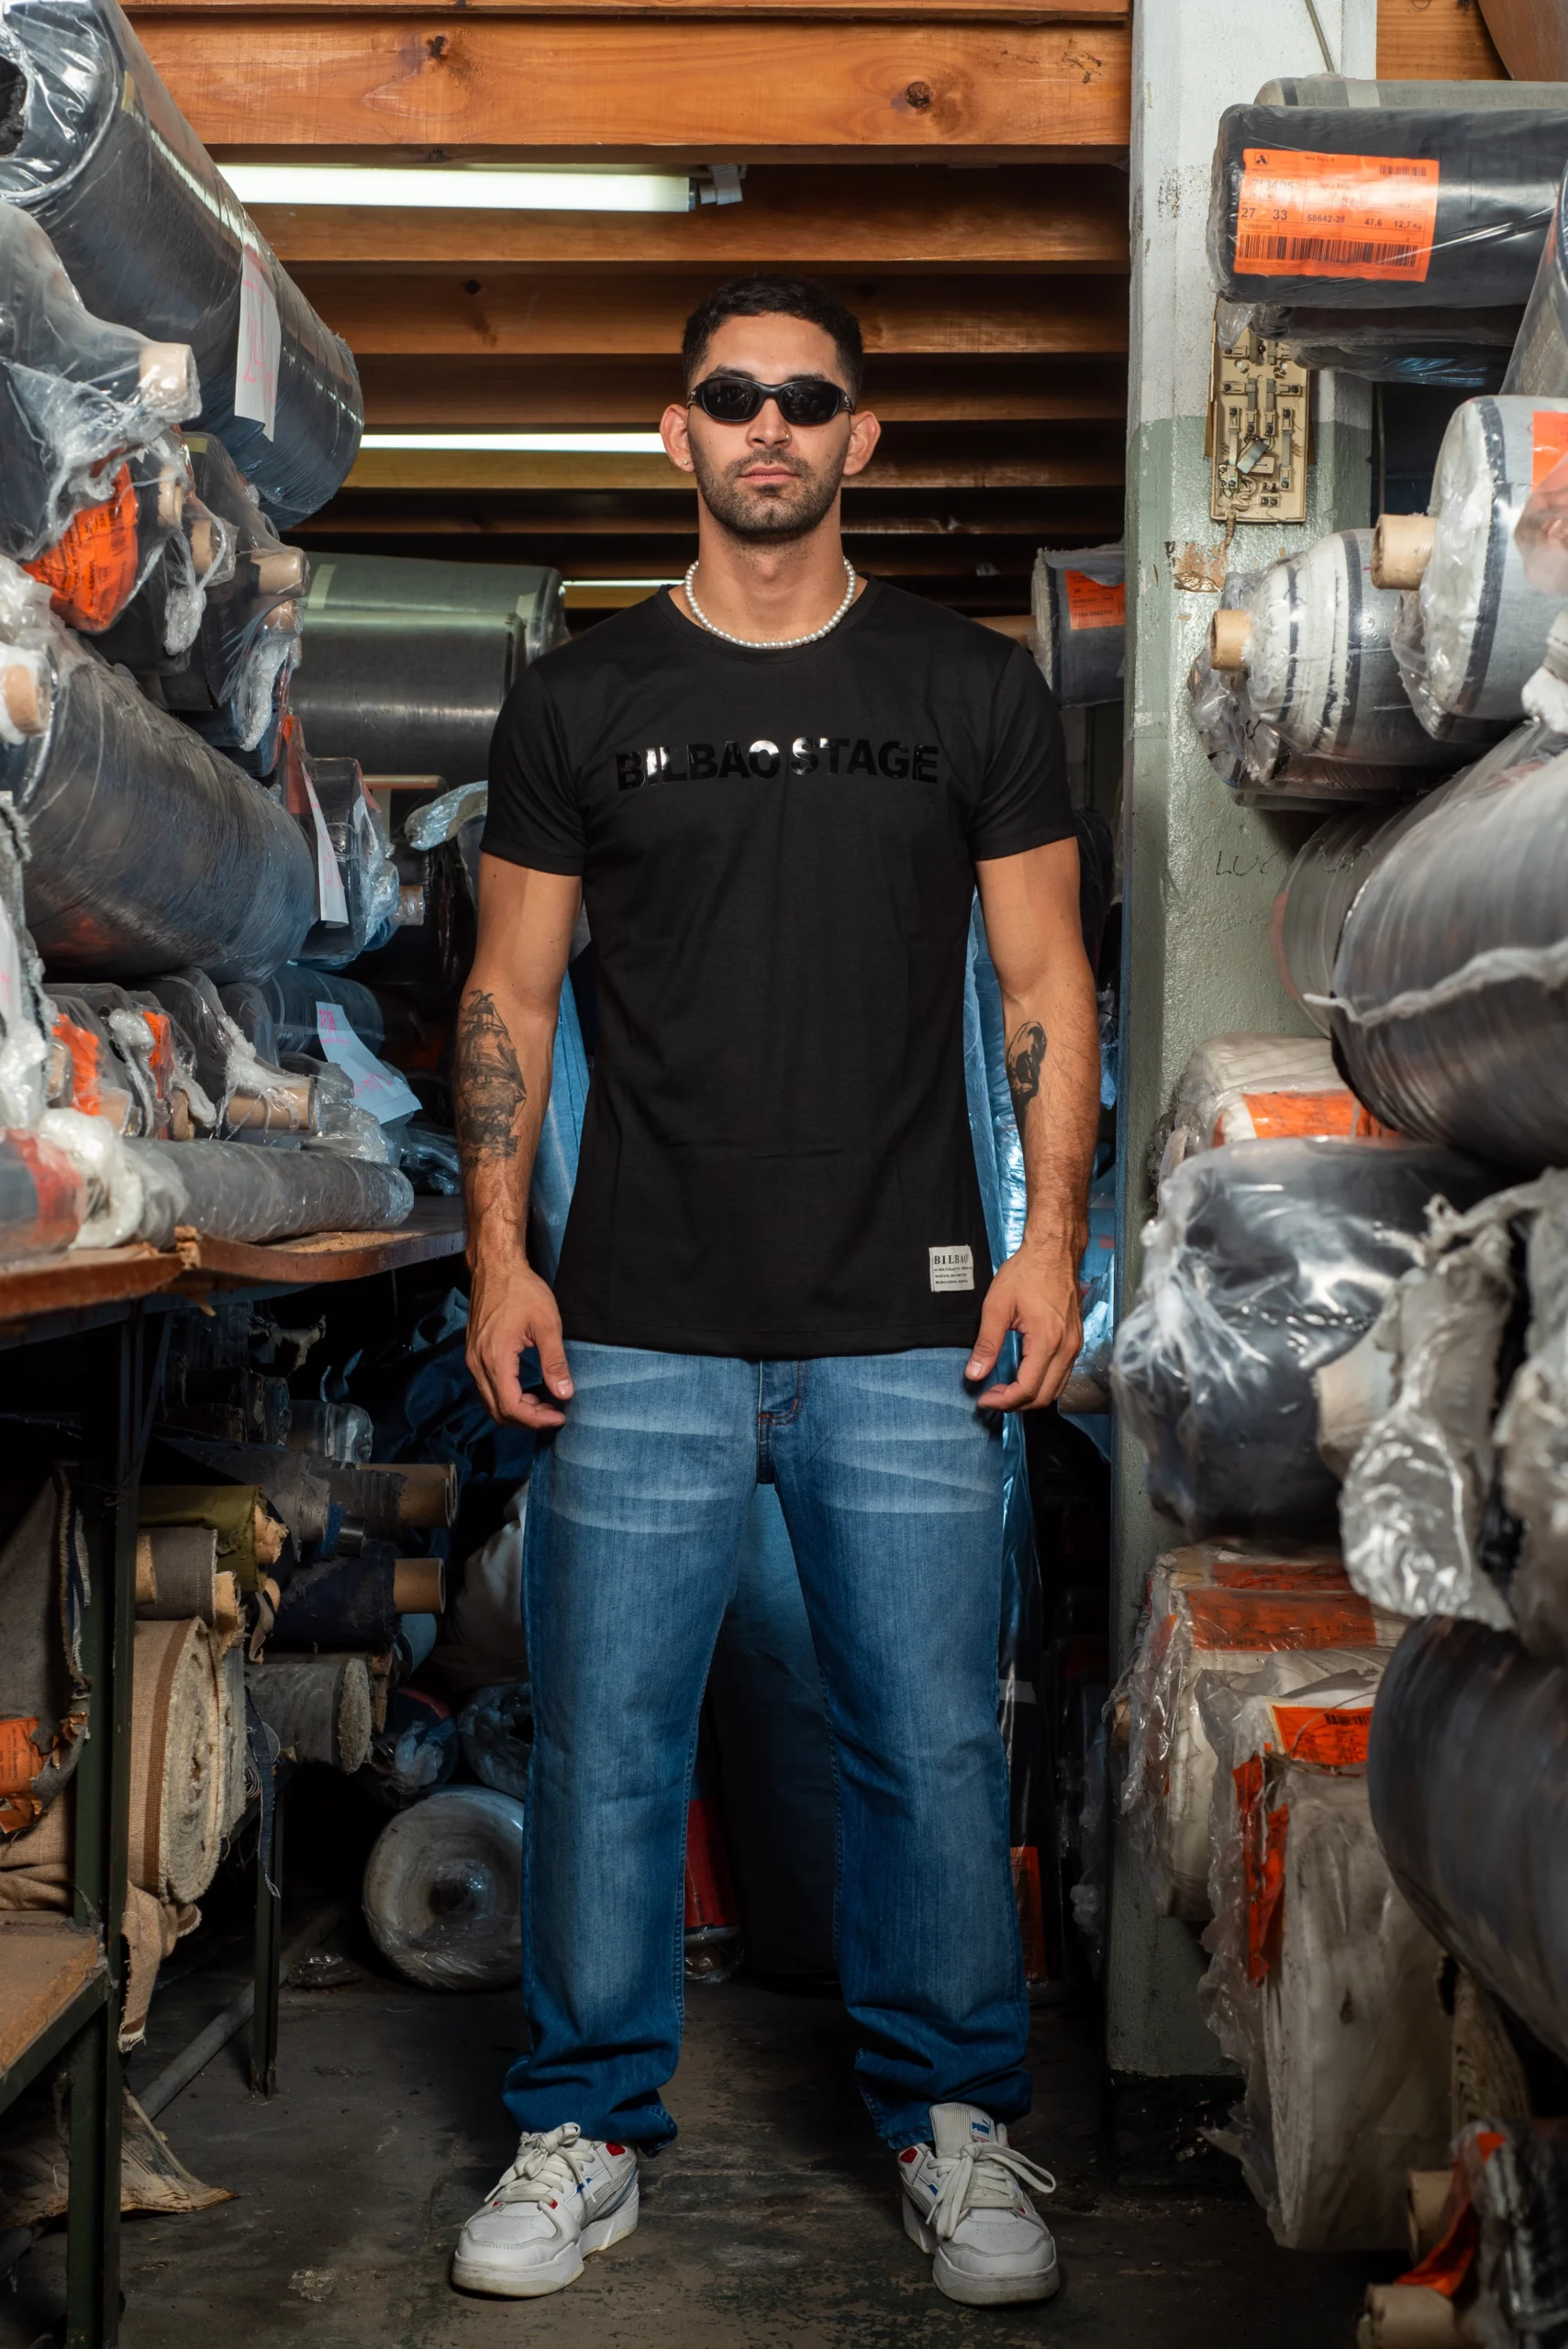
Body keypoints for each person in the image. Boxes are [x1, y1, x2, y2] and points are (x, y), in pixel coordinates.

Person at [450, 273, 1099, 2309]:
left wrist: (1050, 1242)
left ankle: (952, 2121)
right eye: (732, 396)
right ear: (678, 431)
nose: (768, 427)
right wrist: (500, 1258)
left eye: (807, 401)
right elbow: (509, 997)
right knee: (605, 1748)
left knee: (925, 1745)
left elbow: (1045, 981)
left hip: (907, 1324)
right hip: (634, 1322)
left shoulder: (969, 686)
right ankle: (580, 2125)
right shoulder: (580, 701)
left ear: (857, 440)